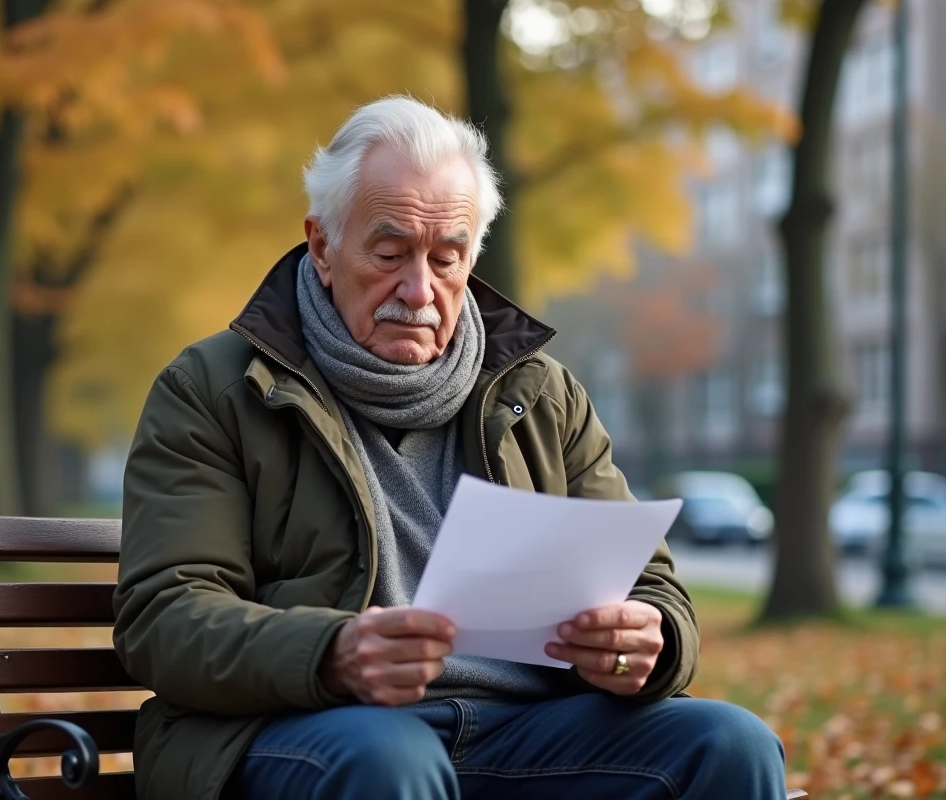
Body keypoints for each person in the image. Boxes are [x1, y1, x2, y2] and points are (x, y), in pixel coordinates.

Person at [113, 96, 788, 800]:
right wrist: (330, 653)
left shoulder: (541, 392)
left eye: (447, 257)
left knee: (729, 745)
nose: (420, 289)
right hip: (306, 726)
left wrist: (649, 639)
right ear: (322, 246)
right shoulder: (216, 388)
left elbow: (649, 585)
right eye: (390, 252)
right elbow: (163, 616)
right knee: (390, 760)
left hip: (525, 729)